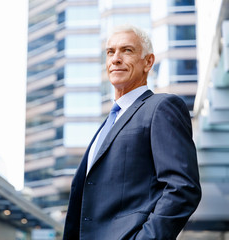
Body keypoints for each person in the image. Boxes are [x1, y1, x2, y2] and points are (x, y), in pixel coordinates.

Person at [63, 25, 201, 240]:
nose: (116, 59)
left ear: (148, 62)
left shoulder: (161, 107)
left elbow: (182, 188)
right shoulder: (107, 125)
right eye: (110, 52)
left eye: (126, 50)